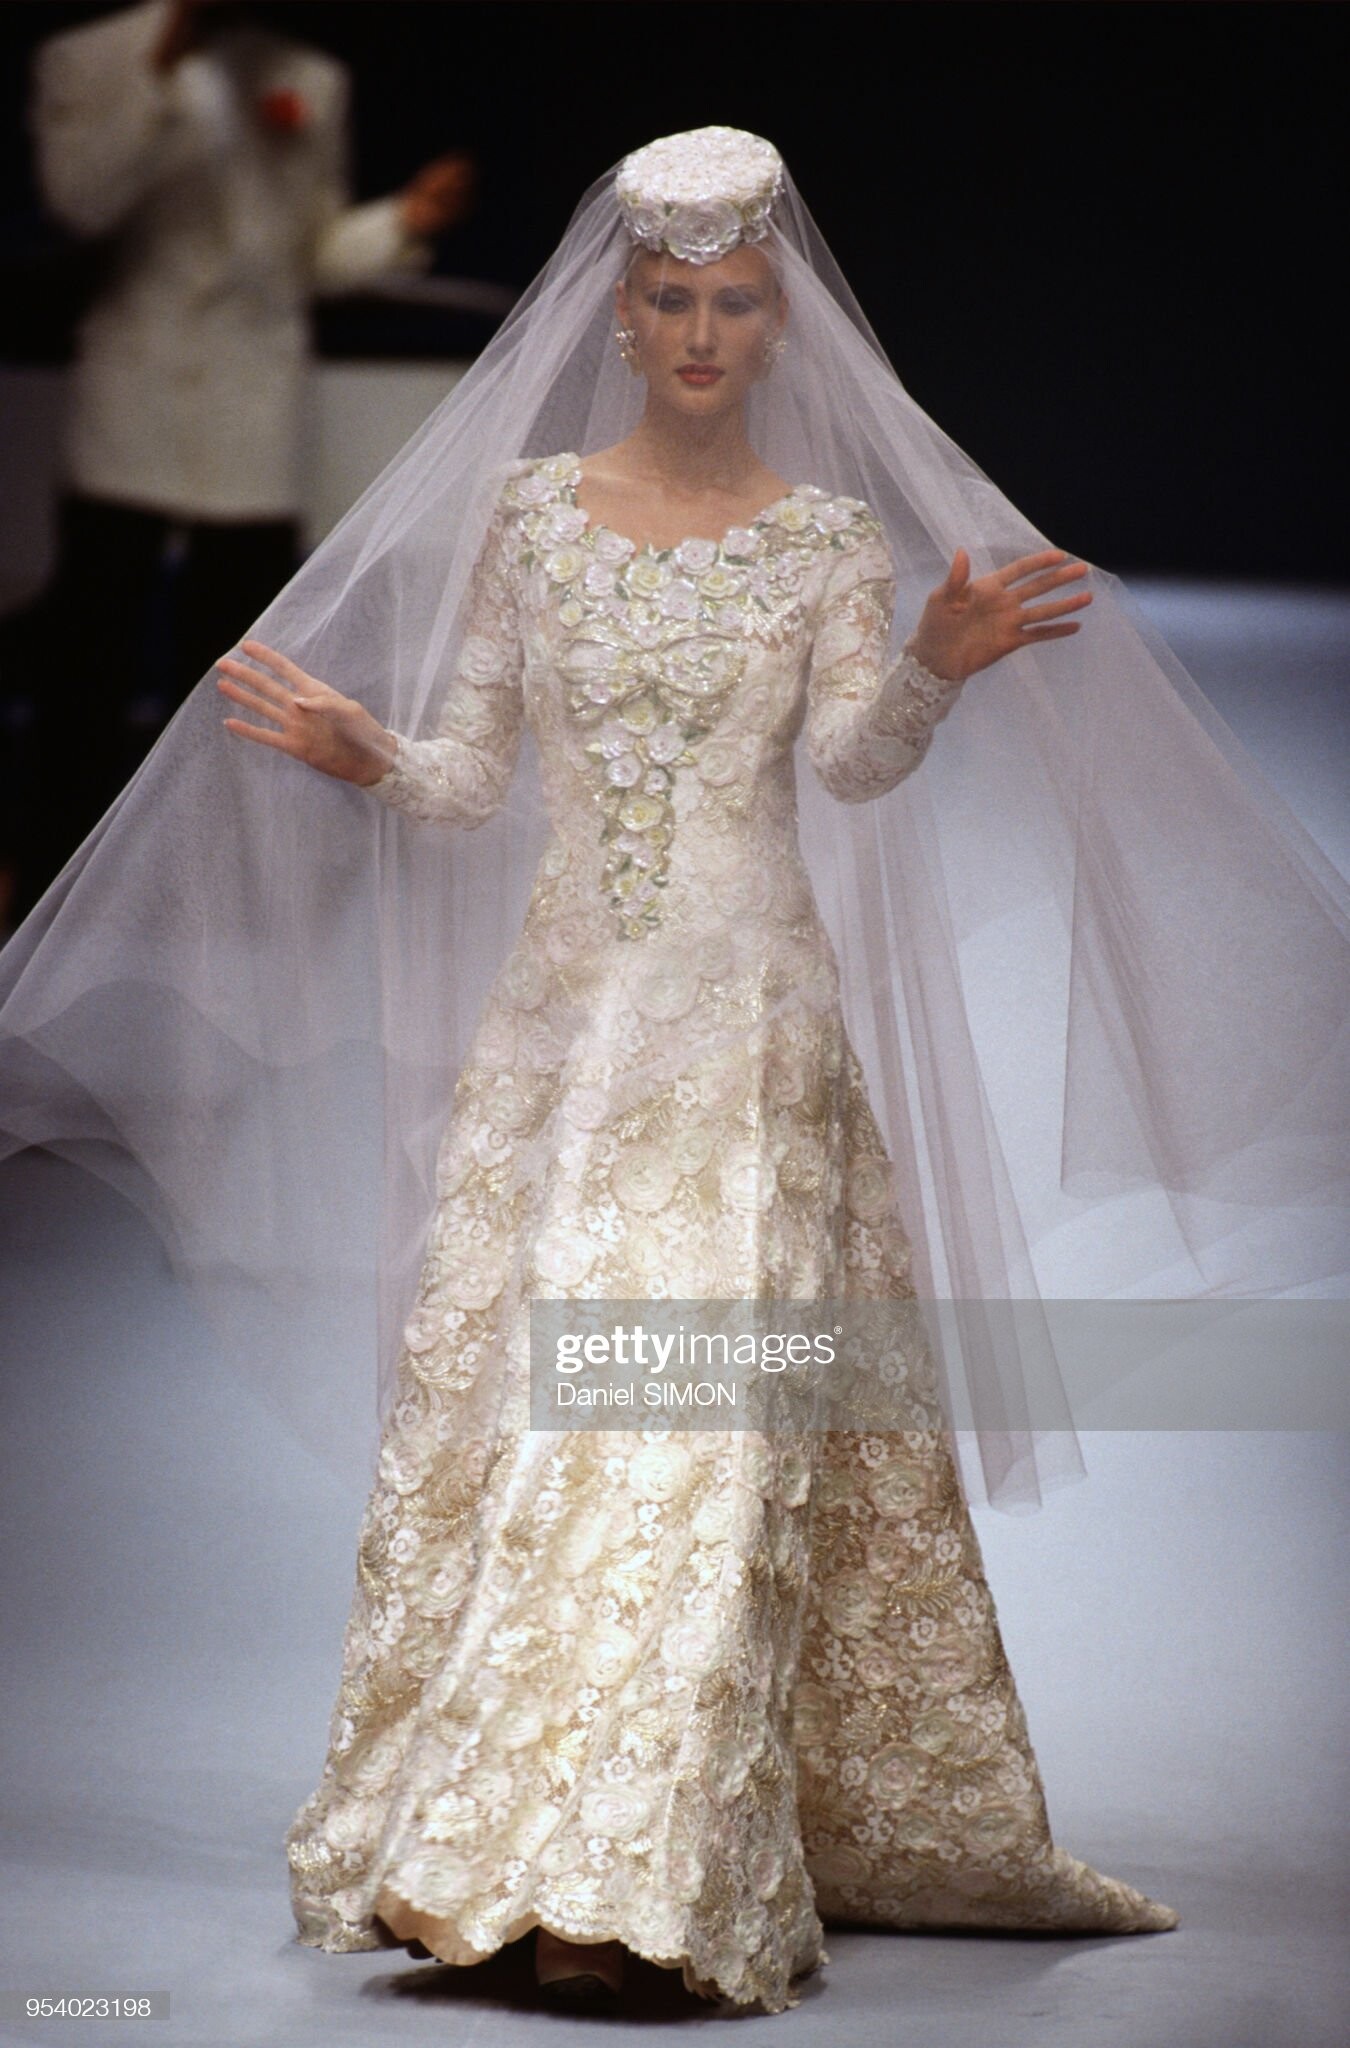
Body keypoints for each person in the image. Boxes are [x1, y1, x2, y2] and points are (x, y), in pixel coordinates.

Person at [1, 124, 1344, 2015]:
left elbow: (851, 766)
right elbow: (472, 779)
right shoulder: (531, 517)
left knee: (706, 1440)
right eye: (667, 298)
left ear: (778, 323)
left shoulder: (823, 539)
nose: (701, 332)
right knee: (560, 1439)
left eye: (732, 301)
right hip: (566, 1048)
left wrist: (937, 664)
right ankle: (528, 1847)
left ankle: (632, 1877)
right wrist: (366, 752)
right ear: (618, 318)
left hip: (748, 1041)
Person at [14, 0, 474, 918]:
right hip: (137, 394)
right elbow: (81, 201)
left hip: (253, 408)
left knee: (240, 667)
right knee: (90, 664)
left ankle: (224, 893)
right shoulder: (90, 54)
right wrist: (155, 75)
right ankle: (56, 896)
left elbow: (308, 255)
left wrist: (400, 221)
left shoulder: (309, 77)